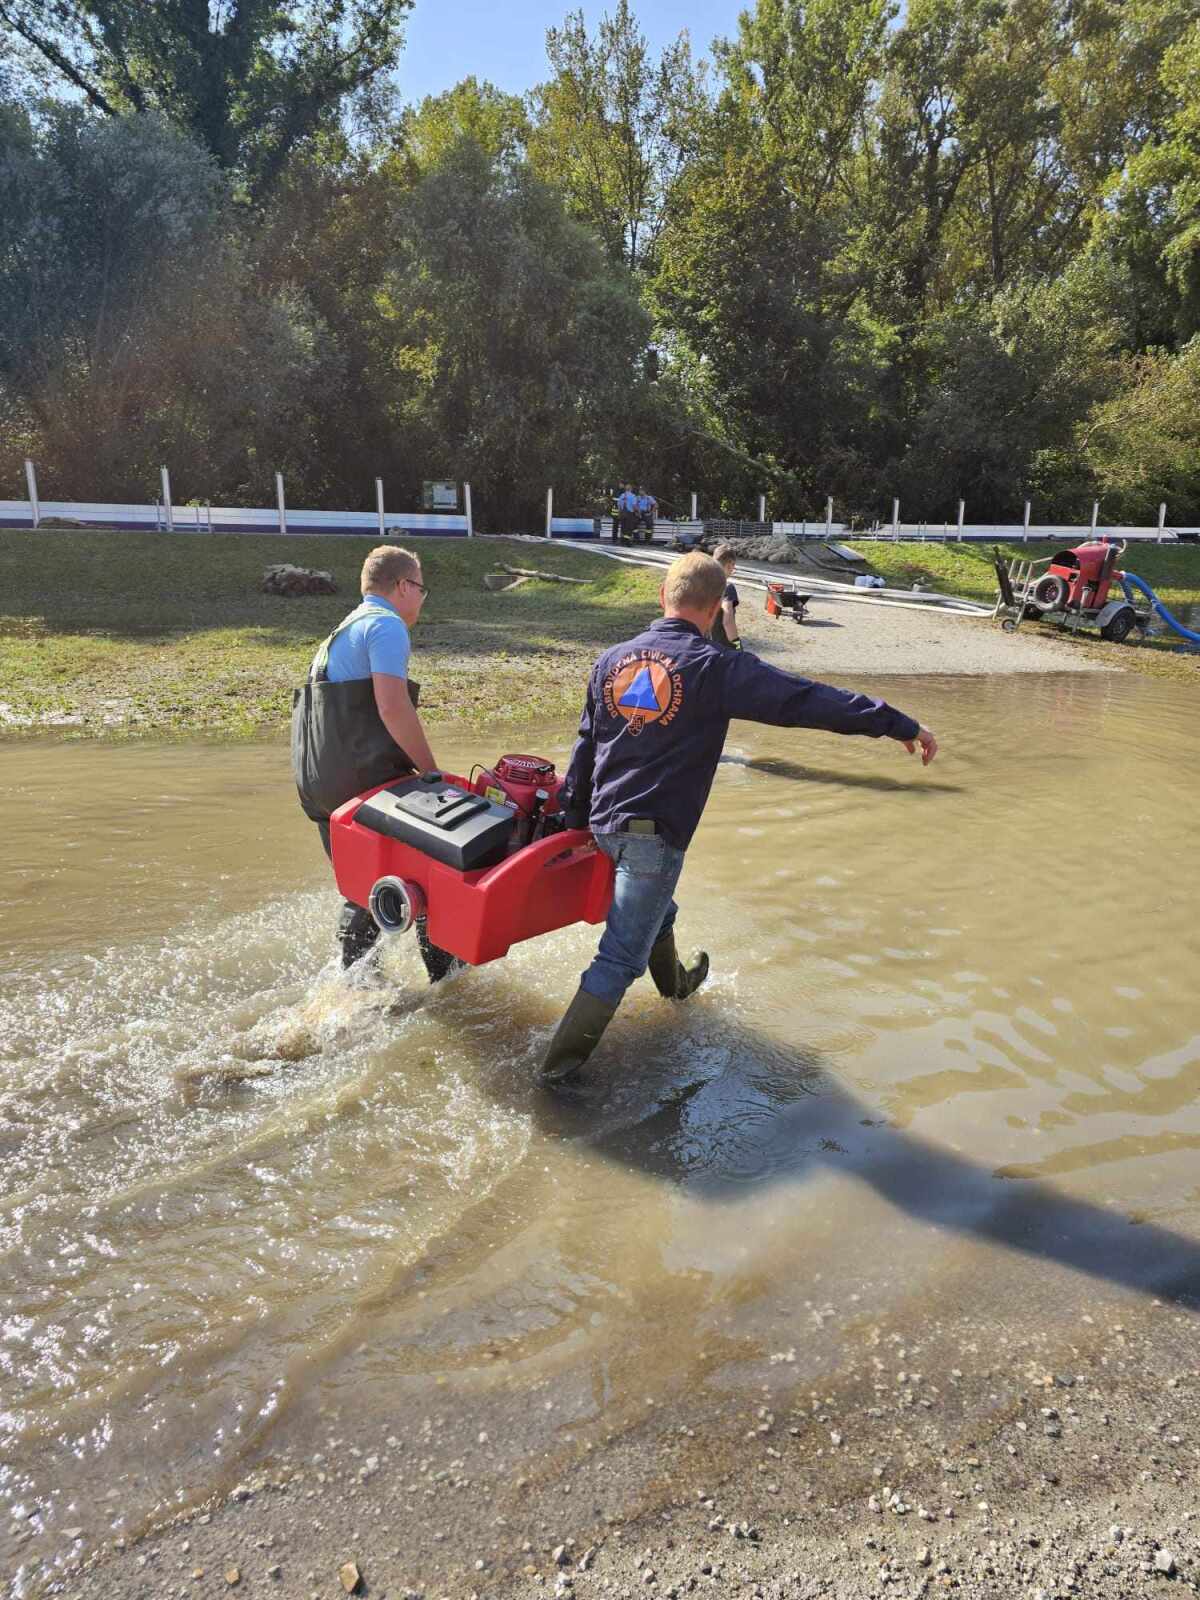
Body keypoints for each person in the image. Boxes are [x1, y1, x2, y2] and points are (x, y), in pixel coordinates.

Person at [542, 552, 938, 1083]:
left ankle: (678, 989)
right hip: (651, 837)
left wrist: (571, 817)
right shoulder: (716, 668)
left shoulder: (612, 659)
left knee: (660, 911)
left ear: (663, 598)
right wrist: (895, 723)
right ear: (714, 610)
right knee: (618, 961)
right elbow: (807, 701)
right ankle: (555, 1077)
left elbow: (586, 746)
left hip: (603, 823)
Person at [292, 543, 457, 980]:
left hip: (318, 784)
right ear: (403, 586)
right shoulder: (386, 625)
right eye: (421, 588)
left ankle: (356, 990)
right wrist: (430, 772)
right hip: (358, 782)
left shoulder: (342, 629)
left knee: (366, 889)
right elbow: (392, 706)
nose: (422, 599)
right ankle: (450, 987)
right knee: (431, 877)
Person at [709, 542, 741, 649]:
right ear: (729, 565)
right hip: (723, 647)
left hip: (707, 644)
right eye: (733, 566)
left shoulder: (704, 583)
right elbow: (728, 621)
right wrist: (737, 645)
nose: (733, 569)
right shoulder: (727, 588)